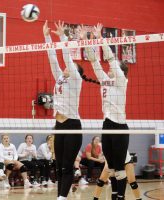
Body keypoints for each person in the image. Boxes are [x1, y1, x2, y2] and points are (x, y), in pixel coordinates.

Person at [43, 20, 99, 200]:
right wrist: (46, 36)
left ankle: (62, 198)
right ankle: (61, 196)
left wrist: (63, 37)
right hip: (59, 126)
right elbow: (53, 58)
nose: (68, 65)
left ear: (76, 71)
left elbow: (66, 57)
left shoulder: (76, 80)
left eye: (72, 65)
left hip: (72, 125)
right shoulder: (60, 78)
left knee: (67, 166)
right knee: (59, 166)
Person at [82, 23, 130, 200]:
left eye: (114, 68)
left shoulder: (121, 81)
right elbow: (94, 61)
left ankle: (121, 197)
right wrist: (86, 41)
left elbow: (110, 59)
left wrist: (100, 38)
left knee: (119, 167)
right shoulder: (105, 80)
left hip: (119, 127)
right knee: (110, 166)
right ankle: (115, 195)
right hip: (107, 125)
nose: (110, 69)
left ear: (121, 72)